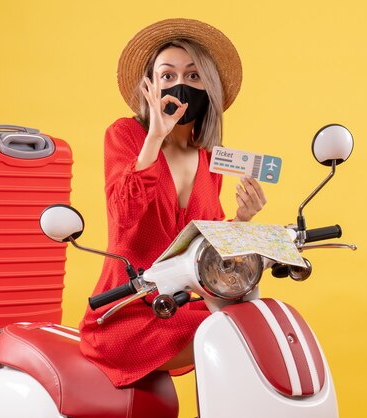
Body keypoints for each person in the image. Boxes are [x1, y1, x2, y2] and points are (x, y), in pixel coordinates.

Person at [79, 18, 266, 388]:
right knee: (229, 339)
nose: (180, 85)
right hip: (126, 311)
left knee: (252, 325)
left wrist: (243, 218)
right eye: (168, 75)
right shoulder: (124, 135)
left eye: (193, 76)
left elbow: (202, 241)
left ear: (208, 87)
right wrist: (154, 138)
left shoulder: (211, 157)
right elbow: (124, 214)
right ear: (150, 86)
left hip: (183, 304)